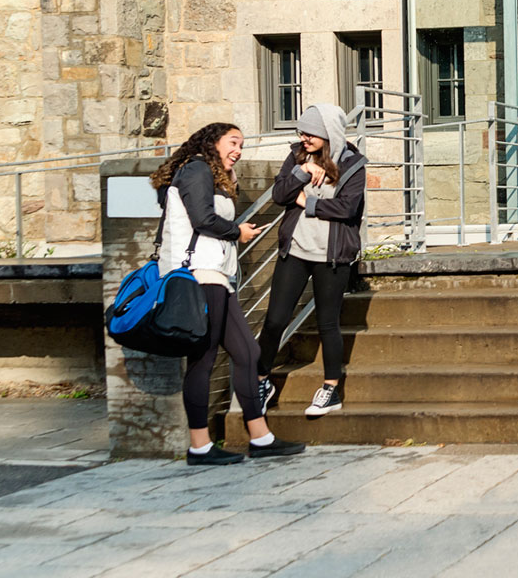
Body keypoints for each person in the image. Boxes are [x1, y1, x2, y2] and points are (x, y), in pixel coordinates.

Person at [150, 123, 303, 466]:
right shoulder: (197, 168)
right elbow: (203, 219)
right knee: (203, 359)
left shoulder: (209, 172)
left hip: (217, 276)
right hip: (199, 276)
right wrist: (237, 231)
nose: (238, 149)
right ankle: (200, 446)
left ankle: (261, 438)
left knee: (247, 352)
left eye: (242, 145)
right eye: (233, 142)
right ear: (211, 142)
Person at [255, 104, 366, 419]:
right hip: (296, 250)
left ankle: (331, 389)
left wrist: (308, 201)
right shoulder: (297, 156)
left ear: (328, 132)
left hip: (331, 256)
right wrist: (302, 172)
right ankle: (261, 382)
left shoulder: (354, 164)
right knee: (275, 319)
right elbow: (279, 194)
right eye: (300, 132)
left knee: (328, 323)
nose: (303, 137)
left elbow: (347, 209)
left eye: (309, 133)